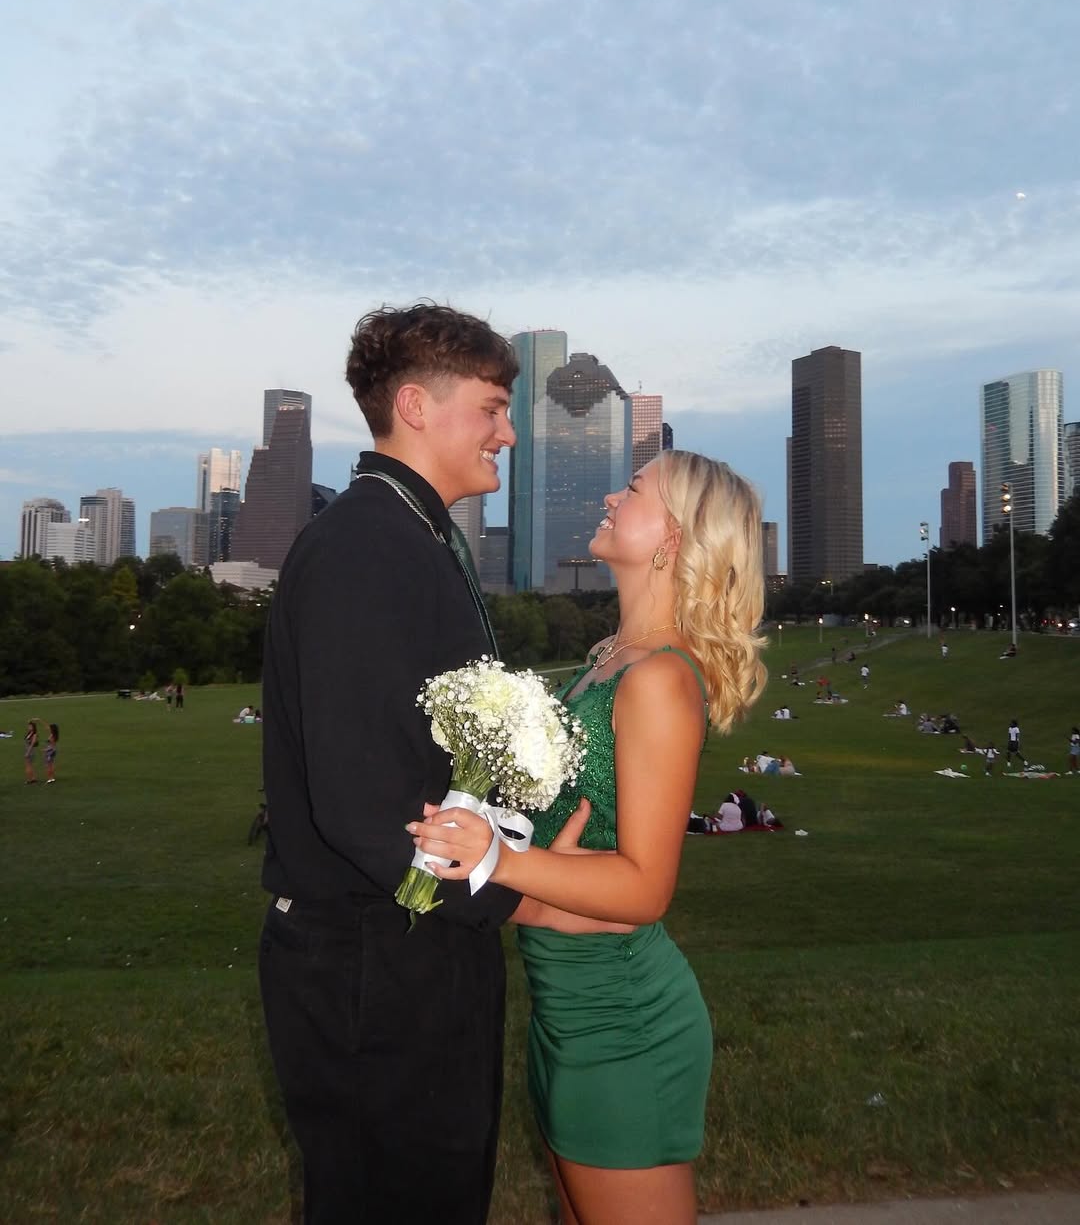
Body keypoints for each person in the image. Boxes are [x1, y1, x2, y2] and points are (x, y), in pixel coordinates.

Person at [411, 450, 767, 1225]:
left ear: (673, 540)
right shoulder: (607, 660)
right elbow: (568, 846)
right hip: (564, 1006)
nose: (611, 496)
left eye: (633, 489)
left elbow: (645, 888)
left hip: (622, 1016)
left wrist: (501, 859)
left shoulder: (659, 680)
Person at [259, 303, 558, 1224]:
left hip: (413, 947)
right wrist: (516, 894)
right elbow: (359, 802)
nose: (508, 433)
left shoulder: (411, 534)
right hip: (376, 961)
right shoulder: (366, 546)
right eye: (493, 408)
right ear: (418, 406)